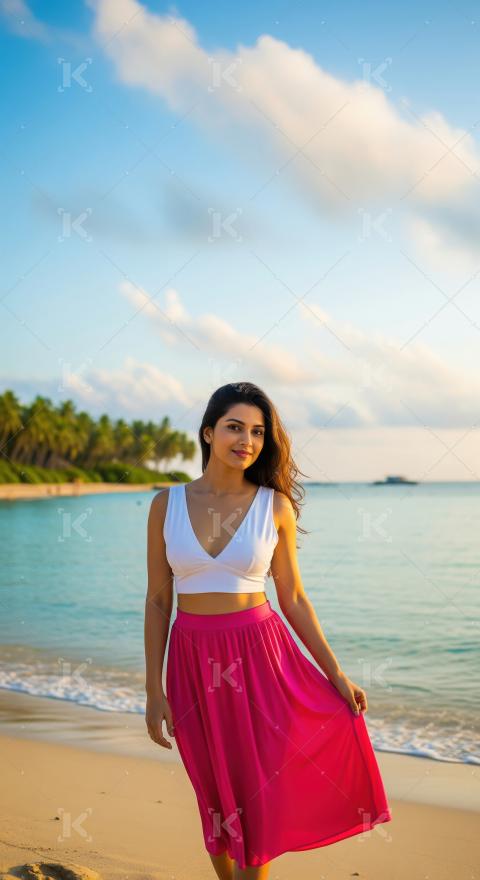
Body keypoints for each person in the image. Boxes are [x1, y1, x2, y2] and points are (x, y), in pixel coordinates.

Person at [144, 381, 392, 880]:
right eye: (235, 427)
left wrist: (336, 673)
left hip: (261, 660)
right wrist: (153, 689)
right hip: (193, 662)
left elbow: (293, 598)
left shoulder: (273, 505)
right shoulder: (165, 504)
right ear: (209, 432)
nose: (247, 441)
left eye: (258, 432)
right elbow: (157, 600)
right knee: (211, 790)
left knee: (258, 792)